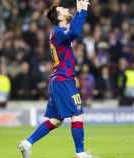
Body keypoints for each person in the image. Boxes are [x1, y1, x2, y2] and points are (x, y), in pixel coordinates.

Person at [18, 1, 93, 158]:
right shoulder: (58, 32)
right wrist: (83, 11)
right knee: (77, 114)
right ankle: (80, 152)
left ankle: (28, 142)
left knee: (56, 120)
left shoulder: (58, 32)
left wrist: (79, 12)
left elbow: (72, 30)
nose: (66, 9)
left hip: (57, 80)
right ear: (59, 17)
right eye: (63, 9)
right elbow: (75, 33)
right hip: (63, 80)